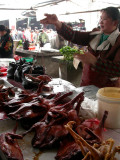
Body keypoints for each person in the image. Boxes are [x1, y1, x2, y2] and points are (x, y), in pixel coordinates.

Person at [40, 7, 120, 88]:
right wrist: (57, 23)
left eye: (105, 19)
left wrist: (95, 61)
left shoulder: (118, 40)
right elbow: (75, 36)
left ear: (115, 22)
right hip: (87, 83)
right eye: (100, 18)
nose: (100, 22)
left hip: (107, 89)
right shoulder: (95, 34)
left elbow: (118, 69)